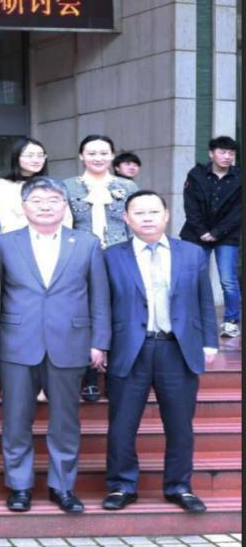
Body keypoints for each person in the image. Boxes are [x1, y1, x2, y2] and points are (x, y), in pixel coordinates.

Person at [0, 177, 110, 514]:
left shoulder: (86, 243)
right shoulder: (4, 243)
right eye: (37, 200)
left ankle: (63, 486)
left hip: (70, 342)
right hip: (17, 342)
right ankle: (19, 486)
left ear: (65, 206)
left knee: (65, 421)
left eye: (53, 200)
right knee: (16, 419)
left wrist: (99, 342)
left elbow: (99, 297)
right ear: (24, 207)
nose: (45, 206)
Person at [101, 191, 218, 514]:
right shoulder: (111, 256)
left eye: (154, 211)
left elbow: (204, 300)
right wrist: (101, 344)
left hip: (177, 349)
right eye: (139, 212)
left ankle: (179, 486)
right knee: (122, 424)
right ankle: (122, 486)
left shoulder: (192, 253)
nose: (147, 217)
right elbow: (102, 305)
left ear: (166, 215)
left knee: (180, 425)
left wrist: (209, 342)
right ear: (126, 219)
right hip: (129, 349)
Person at [63, 134, 137, 403]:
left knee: (120, 311)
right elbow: (65, 224)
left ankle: (116, 374)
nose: (98, 158)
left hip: (119, 256)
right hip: (81, 256)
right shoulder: (68, 186)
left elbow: (133, 223)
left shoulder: (127, 186)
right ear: (81, 156)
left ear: (112, 155)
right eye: (91, 153)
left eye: (104, 153)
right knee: (85, 313)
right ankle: (89, 376)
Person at [179, 136, 241, 339]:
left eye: (231, 153)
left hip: (227, 235)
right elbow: (190, 206)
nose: (227, 156)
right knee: (192, 278)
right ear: (211, 153)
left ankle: (231, 322)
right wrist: (202, 231)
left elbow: (238, 212)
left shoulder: (239, 177)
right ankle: (192, 320)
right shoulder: (196, 174)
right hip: (196, 234)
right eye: (222, 152)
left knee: (228, 280)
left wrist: (216, 233)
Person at [0, 137, 71, 234]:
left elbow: (66, 219)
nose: (36, 160)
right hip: (11, 240)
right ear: (16, 157)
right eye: (30, 155)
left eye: (40, 156)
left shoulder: (53, 185)